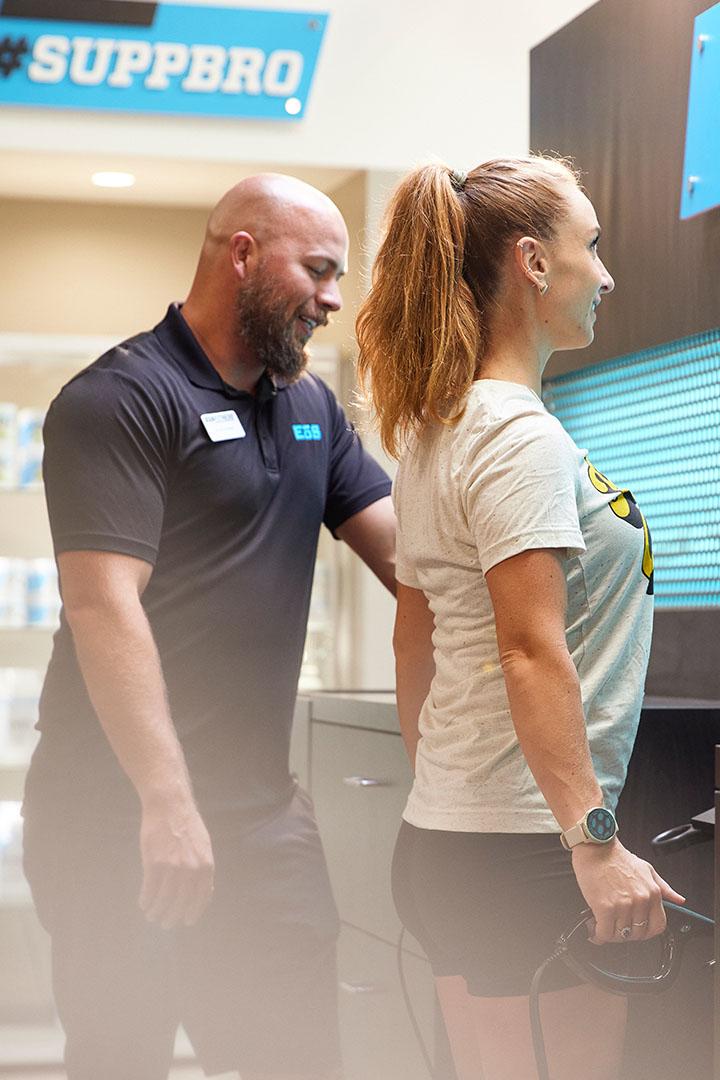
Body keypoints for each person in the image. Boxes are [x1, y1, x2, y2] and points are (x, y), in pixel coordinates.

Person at [22, 173, 396, 1080]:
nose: (334, 299)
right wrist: (167, 801)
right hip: (117, 816)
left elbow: (408, 561)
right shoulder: (120, 398)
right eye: (318, 270)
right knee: (122, 1058)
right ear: (242, 255)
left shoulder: (310, 409)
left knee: (298, 1056)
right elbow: (102, 604)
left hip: (260, 818)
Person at [355, 157, 684, 1080]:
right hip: (526, 849)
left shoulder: (438, 427)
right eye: (593, 246)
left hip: (455, 839)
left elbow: (411, 637)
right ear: (535, 264)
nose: (607, 274)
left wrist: (450, 792)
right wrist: (594, 842)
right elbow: (530, 649)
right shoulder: (516, 435)